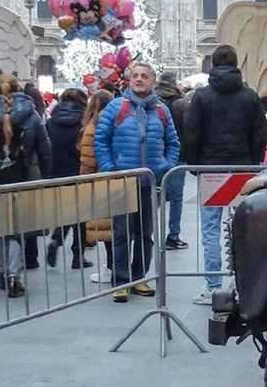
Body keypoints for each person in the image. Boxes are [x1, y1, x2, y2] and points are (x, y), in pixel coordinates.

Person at [181, 45, 267, 305]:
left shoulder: (202, 97)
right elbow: (259, 135)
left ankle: (213, 286)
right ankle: (243, 284)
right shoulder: (251, 97)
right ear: (236, 63)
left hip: (212, 170)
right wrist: (253, 163)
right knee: (242, 227)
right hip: (242, 169)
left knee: (210, 230)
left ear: (212, 65)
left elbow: (192, 133)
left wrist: (195, 166)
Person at [94, 63, 180, 302]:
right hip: (122, 181)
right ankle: (121, 281)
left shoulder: (161, 110)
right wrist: (110, 169)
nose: (139, 79)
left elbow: (173, 142)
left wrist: (166, 165)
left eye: (144, 76)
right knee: (121, 232)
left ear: (152, 81)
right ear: (129, 81)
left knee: (145, 233)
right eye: (135, 76)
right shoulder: (115, 107)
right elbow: (101, 140)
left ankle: (139, 277)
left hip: (149, 183)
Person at [0, 74, 51, 298]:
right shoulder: (32, 116)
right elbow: (44, 150)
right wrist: (46, 176)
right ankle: (14, 275)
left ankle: (5, 272)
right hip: (22, 179)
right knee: (16, 230)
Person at [45, 87, 90, 268]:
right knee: (81, 215)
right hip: (79, 171)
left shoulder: (51, 123)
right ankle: (78, 255)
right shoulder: (85, 122)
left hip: (57, 173)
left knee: (66, 212)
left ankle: (57, 239)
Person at [78, 89, 115, 276]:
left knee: (107, 228)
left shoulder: (92, 126)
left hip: (99, 180)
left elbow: (88, 158)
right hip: (117, 179)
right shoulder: (117, 121)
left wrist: (84, 179)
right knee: (116, 226)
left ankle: (111, 267)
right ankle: (117, 266)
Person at [154, 71, 190, 250]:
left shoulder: (152, 101)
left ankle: (148, 232)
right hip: (177, 155)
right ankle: (173, 235)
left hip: (155, 155)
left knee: (153, 196)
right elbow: (188, 130)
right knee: (176, 198)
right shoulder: (181, 103)